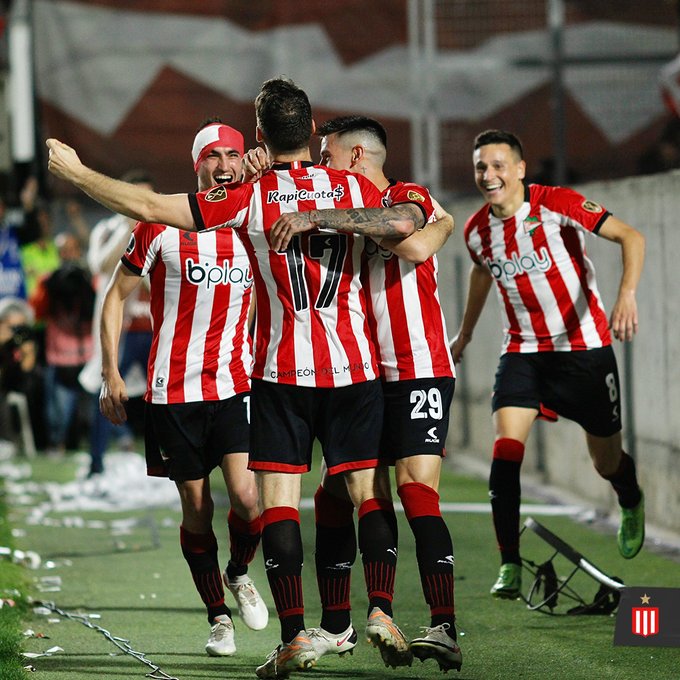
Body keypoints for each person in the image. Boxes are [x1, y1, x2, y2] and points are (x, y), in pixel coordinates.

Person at [46, 76, 426, 679]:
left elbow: (150, 206)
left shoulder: (250, 197)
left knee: (274, 504)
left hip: (275, 376)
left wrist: (76, 172)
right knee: (364, 492)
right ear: (312, 130)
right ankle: (378, 608)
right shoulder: (356, 186)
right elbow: (408, 221)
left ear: (258, 137)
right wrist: (324, 215)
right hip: (348, 370)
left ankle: (294, 633)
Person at [450, 129, 646, 600]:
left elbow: (630, 236)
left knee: (606, 461)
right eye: (481, 167)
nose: (488, 175)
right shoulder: (476, 231)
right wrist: (466, 333)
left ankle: (630, 496)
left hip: (583, 352)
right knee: (505, 453)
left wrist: (626, 296)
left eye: (498, 165)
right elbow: (481, 272)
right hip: (523, 354)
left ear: (520, 169)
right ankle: (509, 563)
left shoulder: (556, 204)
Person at [98, 119, 268, 657]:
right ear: (197, 164)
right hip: (172, 392)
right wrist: (110, 373)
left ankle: (238, 572)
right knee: (197, 509)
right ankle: (218, 616)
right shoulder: (159, 226)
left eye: (232, 155)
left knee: (248, 499)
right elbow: (115, 296)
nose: (224, 164)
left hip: (234, 385)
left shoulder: (253, 221)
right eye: (213, 156)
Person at [302, 115, 462, 672]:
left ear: (354, 157)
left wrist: (326, 217)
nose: (320, 165)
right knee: (335, 494)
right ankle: (343, 625)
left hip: (418, 367)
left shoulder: (405, 193)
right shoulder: (342, 207)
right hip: (360, 374)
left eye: (326, 155)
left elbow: (412, 243)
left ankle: (444, 626)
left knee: (415, 489)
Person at [81, 169, 155, 477]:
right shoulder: (107, 229)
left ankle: (167, 462)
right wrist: (129, 228)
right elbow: (99, 265)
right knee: (107, 389)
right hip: (117, 328)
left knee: (162, 393)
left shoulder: (162, 227)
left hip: (149, 328)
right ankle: (96, 463)